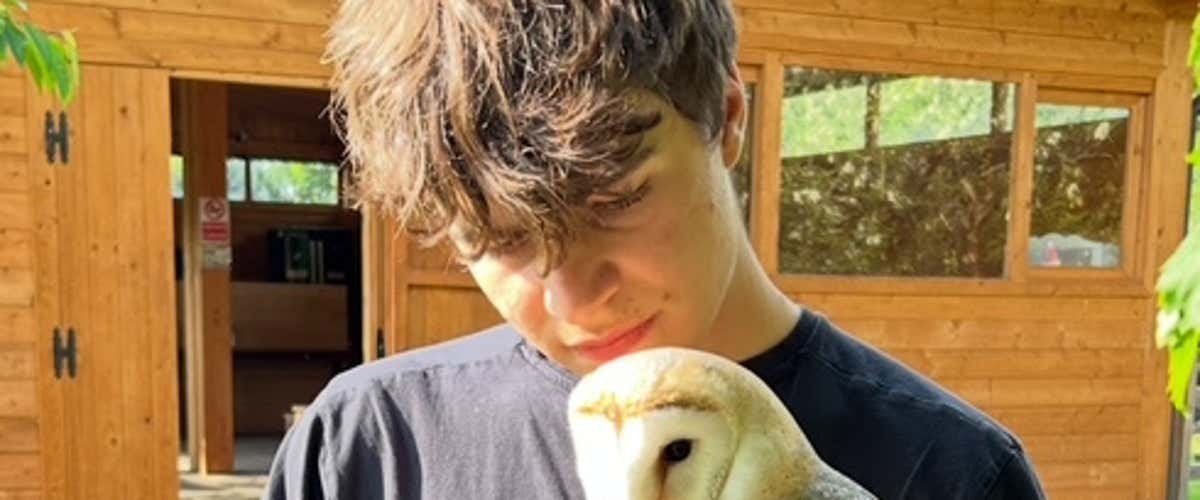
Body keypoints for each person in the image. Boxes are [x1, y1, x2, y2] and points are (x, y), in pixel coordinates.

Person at [264, 0, 1047, 498]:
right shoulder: (370, 449)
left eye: (615, 202)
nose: (574, 301)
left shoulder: (955, 474)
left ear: (726, 117)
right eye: (497, 240)